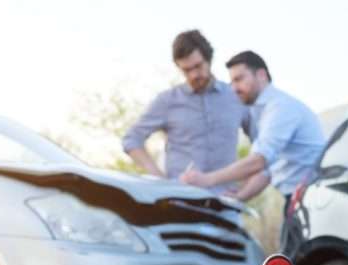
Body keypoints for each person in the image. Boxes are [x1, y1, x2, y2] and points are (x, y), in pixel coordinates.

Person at [180, 50, 325, 212]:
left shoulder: (280, 108)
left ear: (261, 75)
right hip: (299, 199)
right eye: (232, 82)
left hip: (312, 199)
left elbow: (258, 161)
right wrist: (240, 195)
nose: (234, 88)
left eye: (239, 79)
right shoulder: (265, 112)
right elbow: (268, 170)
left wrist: (207, 179)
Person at [122, 30, 248, 192]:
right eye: (186, 70)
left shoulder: (236, 97)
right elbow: (132, 139)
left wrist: (244, 191)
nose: (194, 75)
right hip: (180, 201)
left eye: (198, 66)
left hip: (225, 203)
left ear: (209, 60)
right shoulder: (167, 101)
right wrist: (160, 181)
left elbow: (263, 148)